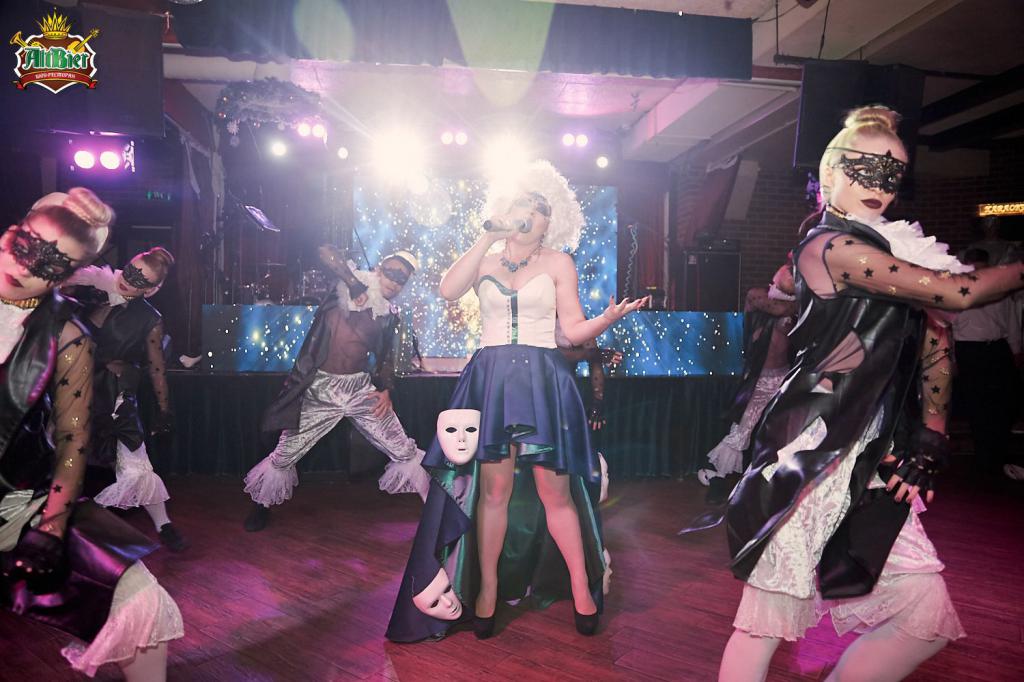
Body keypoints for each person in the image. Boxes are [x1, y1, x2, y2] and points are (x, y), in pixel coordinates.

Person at [719, 106, 1024, 682]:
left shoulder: (895, 251)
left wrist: (932, 434)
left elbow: (937, 335)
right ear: (831, 172)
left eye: (893, 173)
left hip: (872, 456)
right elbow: (954, 293)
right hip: (812, 451)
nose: (879, 184)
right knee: (764, 624)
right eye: (864, 169)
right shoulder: (830, 247)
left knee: (924, 615)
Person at [386, 160, 647, 643]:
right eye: (524, 204)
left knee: (555, 493)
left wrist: (608, 318)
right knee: (494, 493)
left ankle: (581, 588)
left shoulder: (558, 262)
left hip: (543, 381)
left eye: (541, 208)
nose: (531, 213)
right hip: (490, 381)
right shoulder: (485, 258)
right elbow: (448, 289)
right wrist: (487, 236)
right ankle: (486, 591)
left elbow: (572, 331)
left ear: (551, 221)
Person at [0, 188, 182, 679]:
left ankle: (164, 523)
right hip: (81, 404)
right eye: (26, 244)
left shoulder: (69, 330)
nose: (27, 267)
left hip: (26, 484)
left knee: (140, 599)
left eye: (52, 263)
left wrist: (53, 525)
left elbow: (72, 440)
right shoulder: (92, 294)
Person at [243, 248, 430, 531]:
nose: (394, 282)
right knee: (284, 454)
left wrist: (386, 389)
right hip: (321, 389)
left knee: (403, 448)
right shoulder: (345, 288)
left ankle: (434, 507)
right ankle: (262, 505)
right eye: (391, 273)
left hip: (359, 389)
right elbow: (324, 251)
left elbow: (384, 359)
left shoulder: (388, 315)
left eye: (401, 279)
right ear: (378, 270)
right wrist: (354, 284)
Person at [66, 247, 188, 552]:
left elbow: (156, 367)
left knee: (135, 462)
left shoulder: (149, 318)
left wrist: (164, 410)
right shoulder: (93, 289)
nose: (129, 281)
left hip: (114, 393)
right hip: (70, 386)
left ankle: (164, 525)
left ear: (152, 290)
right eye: (130, 272)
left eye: (140, 281)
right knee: (58, 456)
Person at [696, 262, 797, 505]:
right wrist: (803, 302)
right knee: (743, 428)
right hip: (761, 378)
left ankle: (773, 482)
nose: (794, 274)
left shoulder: (801, 303)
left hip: (787, 376)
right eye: (790, 271)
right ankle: (719, 477)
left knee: (783, 430)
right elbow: (779, 308)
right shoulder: (759, 297)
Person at [951, 248, 1022, 479]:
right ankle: (983, 458)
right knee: (977, 404)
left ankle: (998, 454)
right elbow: (950, 328)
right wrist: (953, 359)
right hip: (969, 349)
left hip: (997, 348)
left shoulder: (998, 288)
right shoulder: (958, 290)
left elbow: (1011, 321)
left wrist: (1016, 351)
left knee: (1003, 403)